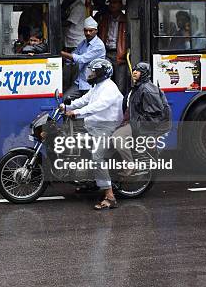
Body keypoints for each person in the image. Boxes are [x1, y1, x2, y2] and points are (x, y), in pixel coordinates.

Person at [60, 58, 123, 210]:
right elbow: (84, 100)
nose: (90, 74)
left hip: (106, 127)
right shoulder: (97, 86)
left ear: (101, 73)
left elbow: (98, 106)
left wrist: (77, 112)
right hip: (95, 125)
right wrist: (66, 105)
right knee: (78, 143)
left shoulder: (109, 88)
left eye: (93, 71)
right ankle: (90, 182)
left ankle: (110, 196)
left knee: (97, 157)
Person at [111, 62, 170, 176]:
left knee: (118, 137)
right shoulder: (137, 87)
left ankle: (130, 166)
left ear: (144, 74)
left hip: (141, 124)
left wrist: (138, 124)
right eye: (134, 70)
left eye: (138, 71)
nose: (134, 72)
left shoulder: (148, 90)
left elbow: (155, 113)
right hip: (133, 121)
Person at [61, 17, 106, 101]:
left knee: (87, 107)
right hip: (79, 82)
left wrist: (61, 53)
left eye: (90, 31)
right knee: (64, 100)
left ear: (96, 31)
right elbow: (74, 54)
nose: (88, 33)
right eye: (85, 31)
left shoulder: (99, 45)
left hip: (91, 84)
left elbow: (82, 59)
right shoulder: (83, 43)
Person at [98, 0, 129, 94]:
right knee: (105, 82)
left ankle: (120, 107)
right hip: (106, 53)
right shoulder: (105, 19)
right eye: (111, 3)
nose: (112, 5)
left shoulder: (126, 20)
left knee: (120, 84)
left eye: (115, 3)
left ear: (121, 5)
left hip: (120, 55)